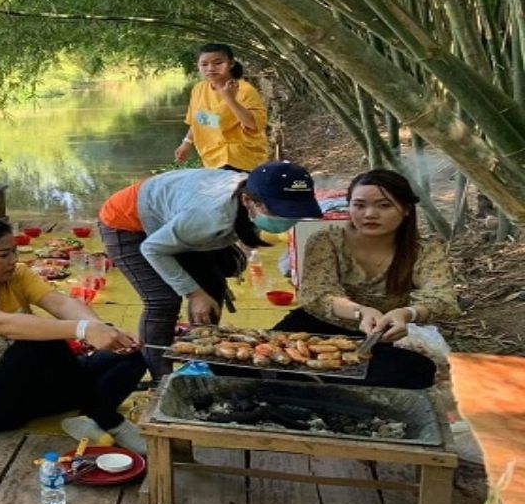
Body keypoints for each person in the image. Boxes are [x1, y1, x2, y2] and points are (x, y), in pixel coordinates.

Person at [0, 215, 149, 452]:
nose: (13, 260)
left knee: (131, 353)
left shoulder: (18, 274)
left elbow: (60, 304)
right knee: (38, 341)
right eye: (3, 255)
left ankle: (93, 416)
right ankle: (107, 419)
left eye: (14, 251)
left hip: (33, 391)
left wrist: (102, 328)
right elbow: (3, 324)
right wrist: (83, 329)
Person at [99, 160, 323, 377]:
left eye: (294, 212)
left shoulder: (248, 197)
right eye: (280, 212)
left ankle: (200, 361)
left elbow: (243, 232)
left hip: (179, 218)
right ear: (247, 200)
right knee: (163, 300)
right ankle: (161, 379)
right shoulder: (209, 216)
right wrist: (193, 293)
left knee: (213, 287)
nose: (287, 219)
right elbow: (153, 249)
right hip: (127, 221)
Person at [281, 169, 458, 388]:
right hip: (318, 326)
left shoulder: (424, 250)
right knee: (266, 356)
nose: (369, 214)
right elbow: (318, 294)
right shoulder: (326, 241)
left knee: (418, 371)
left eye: (384, 205)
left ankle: (322, 385)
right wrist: (360, 311)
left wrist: (406, 313)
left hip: (379, 335)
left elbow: (441, 297)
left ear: (406, 210)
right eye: (359, 205)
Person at [174, 43, 268, 172]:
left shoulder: (245, 90)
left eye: (218, 63)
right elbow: (198, 120)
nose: (211, 68)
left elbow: (254, 124)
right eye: (204, 64)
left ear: (231, 63)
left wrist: (229, 98)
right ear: (198, 66)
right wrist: (186, 143)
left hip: (239, 158)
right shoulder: (199, 89)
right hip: (211, 156)